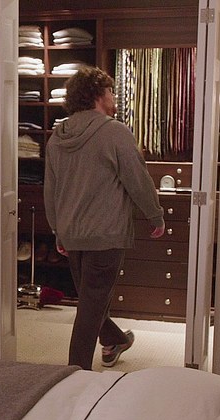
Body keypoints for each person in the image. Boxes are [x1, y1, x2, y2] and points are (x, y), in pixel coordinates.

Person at [44, 66, 165, 370]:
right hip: (105, 235)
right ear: (98, 95)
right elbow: (138, 179)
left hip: (72, 234)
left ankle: (114, 340)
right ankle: (76, 373)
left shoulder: (57, 137)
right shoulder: (115, 132)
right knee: (90, 307)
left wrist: (58, 230)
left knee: (91, 300)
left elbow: (51, 189)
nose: (114, 97)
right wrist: (155, 215)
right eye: (110, 91)